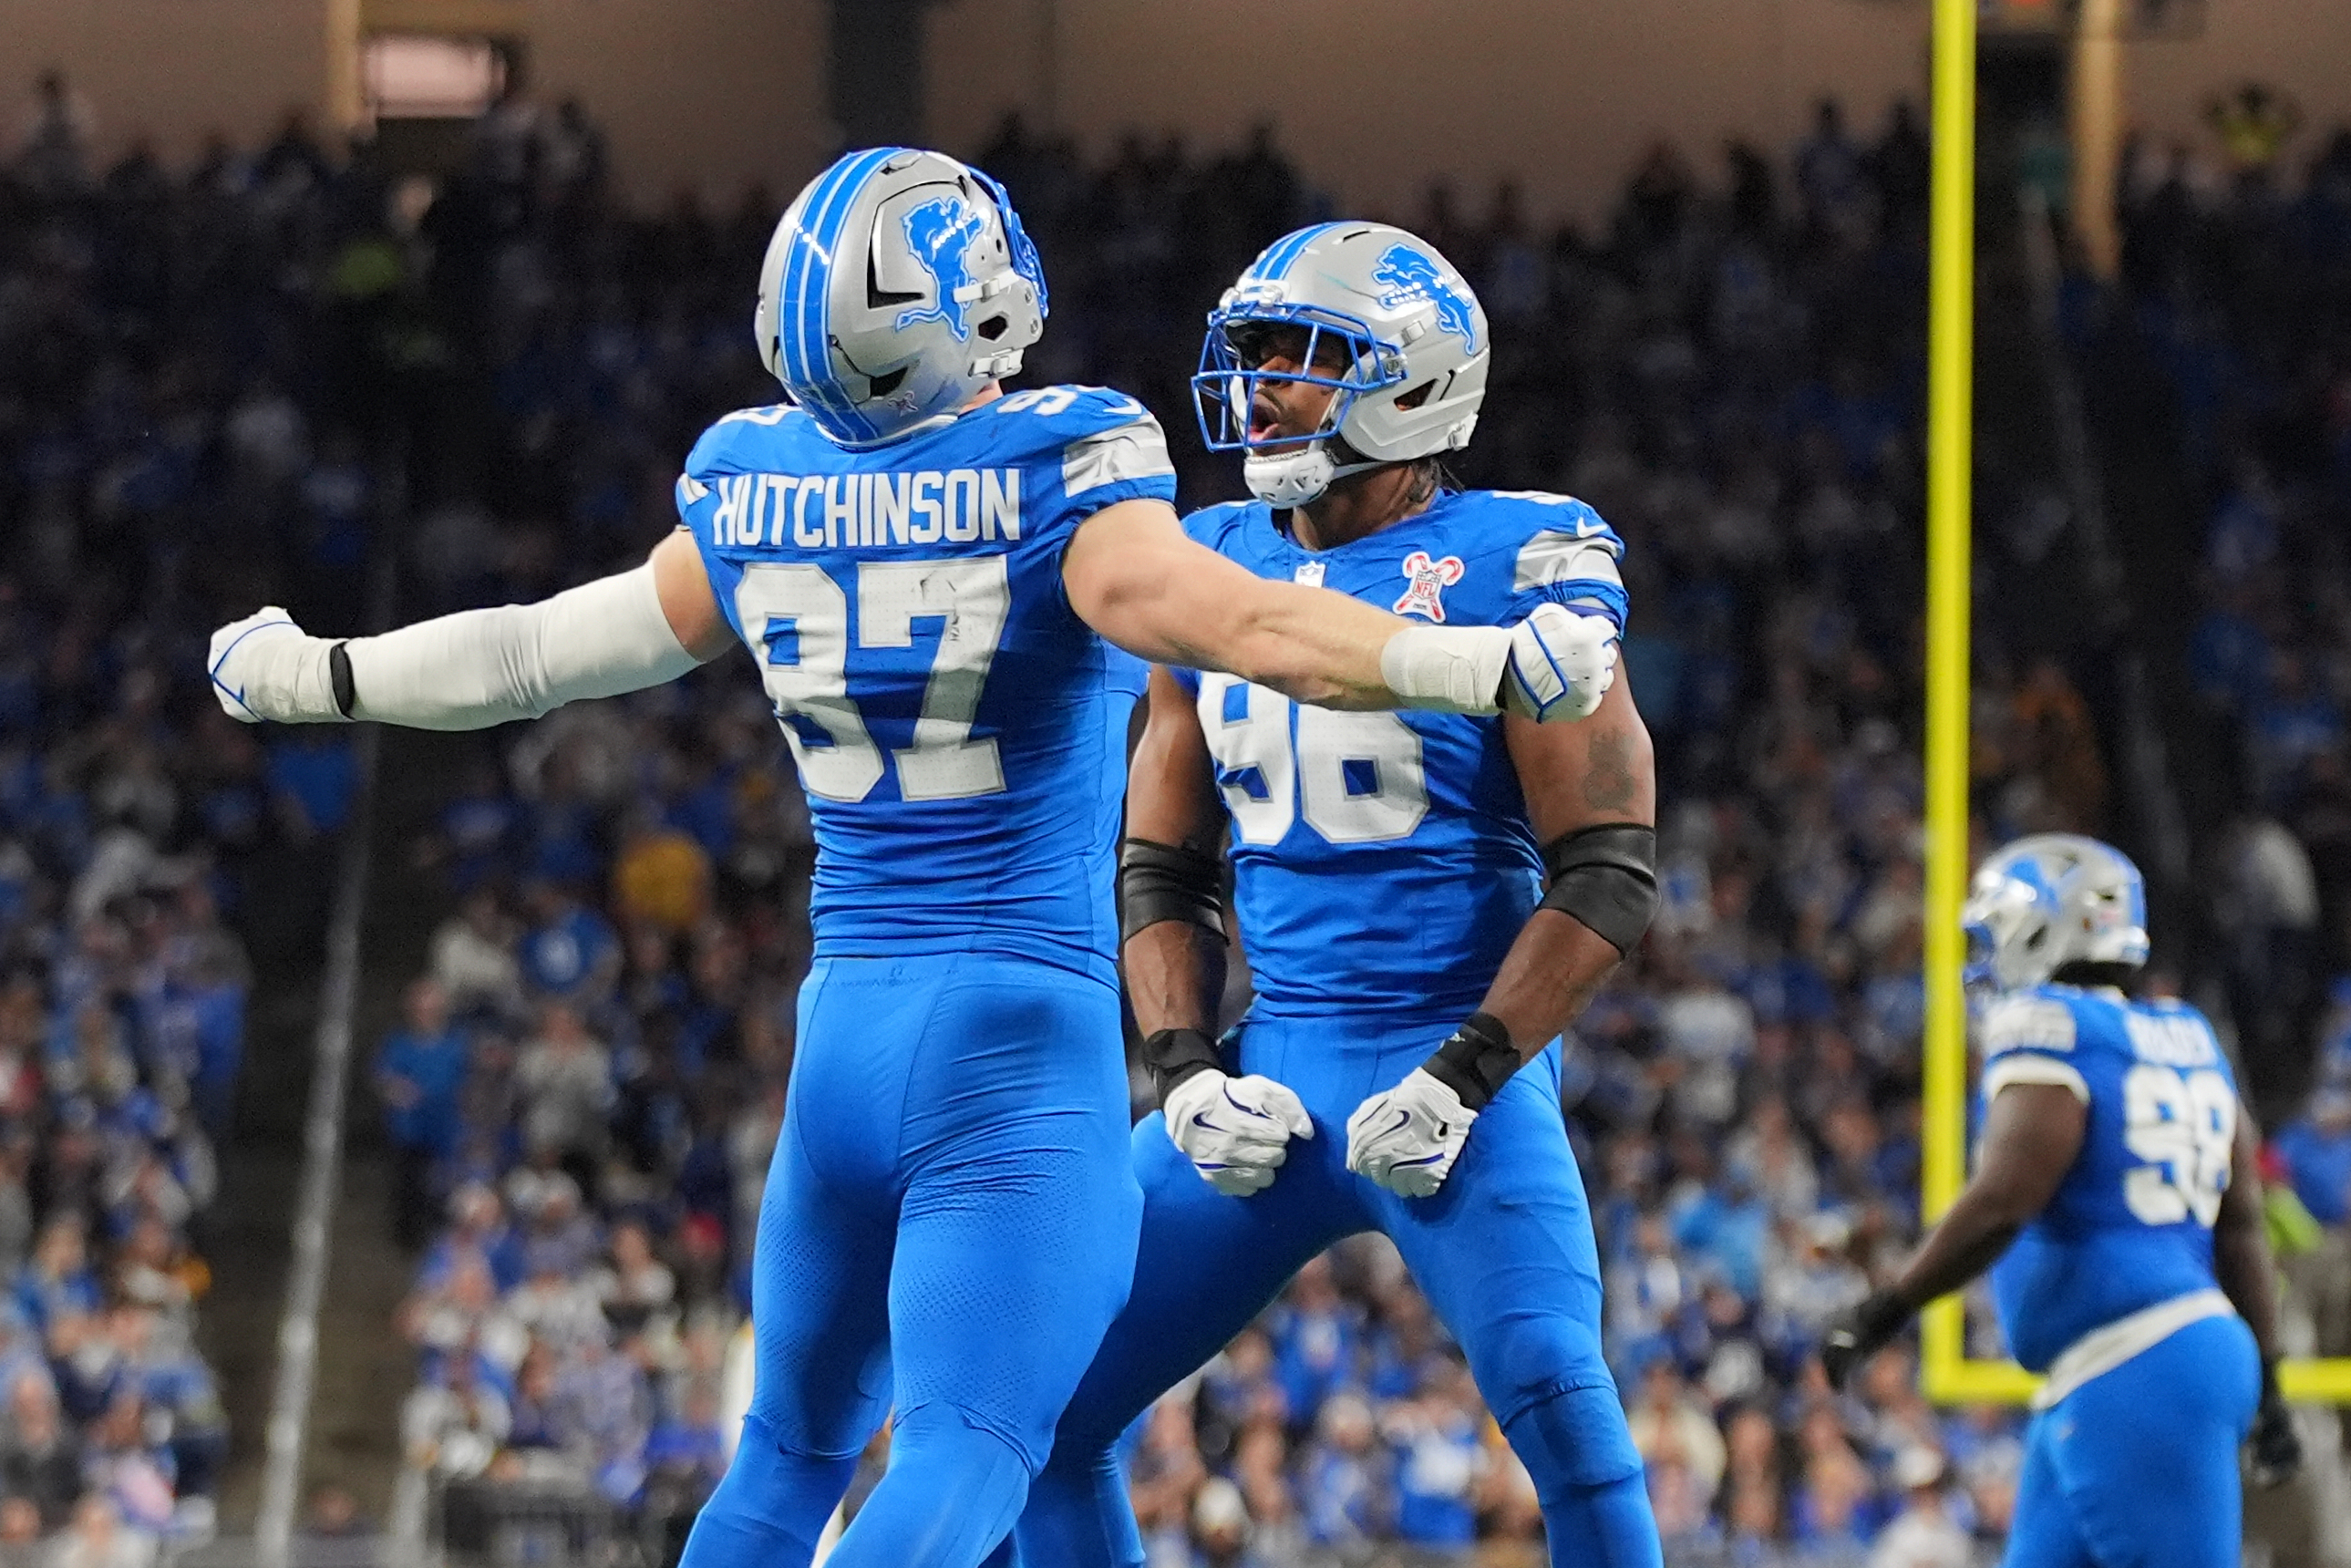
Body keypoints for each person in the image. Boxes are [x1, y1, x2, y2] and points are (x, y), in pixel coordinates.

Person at [205, 150, 1610, 1568]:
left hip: (843, 1033)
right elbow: (1256, 627)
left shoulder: (757, 486)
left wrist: (319, 672)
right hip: (1012, 1042)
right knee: (973, 1451)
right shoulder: (1061, 472)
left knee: (780, 1463)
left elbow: (528, 654)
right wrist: (1477, 660)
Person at [1009, 222, 1661, 1568]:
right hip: (1273, 1069)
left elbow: (1607, 865)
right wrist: (1184, 1069)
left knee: (1563, 1409)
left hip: (1454, 1071)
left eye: (1302, 356)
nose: (1260, 387)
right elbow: (1162, 863)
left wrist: (1462, 1077)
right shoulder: (1208, 557)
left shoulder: (1522, 555)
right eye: (1251, 353)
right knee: (1033, 1403)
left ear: (1415, 382)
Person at [1820, 834, 2305, 1568]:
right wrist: (2267, 1381)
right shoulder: (2188, 1036)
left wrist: (1883, 1308)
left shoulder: (2051, 1028)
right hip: (2140, 1362)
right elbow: (2239, 1229)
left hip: (2135, 1365)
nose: (1984, 959)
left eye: (1996, 934)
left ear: (2047, 927)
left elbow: (2002, 1201)